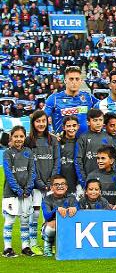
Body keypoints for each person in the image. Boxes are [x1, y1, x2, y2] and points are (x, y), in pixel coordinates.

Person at [26, 110, 60, 255]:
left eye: (43, 121)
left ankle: (49, 242)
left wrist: (51, 181)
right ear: (33, 123)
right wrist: (39, 182)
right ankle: (33, 243)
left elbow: (57, 160)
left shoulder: (52, 140)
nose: (41, 124)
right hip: (35, 185)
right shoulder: (28, 141)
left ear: (47, 122)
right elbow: (29, 165)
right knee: (34, 214)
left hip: (51, 184)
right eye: (38, 121)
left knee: (52, 215)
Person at [2, 126, 36, 258]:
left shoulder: (28, 152)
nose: (18, 139)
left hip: (26, 193)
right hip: (11, 193)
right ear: (11, 137)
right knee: (10, 220)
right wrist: (18, 190)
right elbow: (9, 173)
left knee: (25, 220)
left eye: (21, 136)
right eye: (16, 136)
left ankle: (25, 247)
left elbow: (32, 171)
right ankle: (7, 248)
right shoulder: (7, 153)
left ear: (24, 137)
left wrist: (28, 188)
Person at [45, 66, 97, 136]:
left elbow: (104, 107)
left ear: (81, 81)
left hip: (85, 143)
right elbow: (41, 118)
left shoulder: (88, 97)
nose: (74, 82)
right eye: (71, 79)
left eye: (77, 79)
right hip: (63, 143)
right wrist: (49, 134)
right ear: (65, 80)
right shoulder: (54, 99)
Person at [75, 109, 114, 191]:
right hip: (88, 181)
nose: (98, 123)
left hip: (106, 183)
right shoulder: (83, 138)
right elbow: (78, 161)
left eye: (100, 120)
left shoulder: (108, 138)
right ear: (88, 122)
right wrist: (83, 182)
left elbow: (112, 161)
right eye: (95, 120)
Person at [41, 174, 79, 257]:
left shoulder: (72, 198)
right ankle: (48, 245)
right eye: (56, 184)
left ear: (66, 187)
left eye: (62, 184)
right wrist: (56, 210)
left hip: (68, 225)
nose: (60, 186)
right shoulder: (47, 199)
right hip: (52, 226)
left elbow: (80, 210)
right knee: (53, 223)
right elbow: (47, 216)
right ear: (51, 188)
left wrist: (75, 208)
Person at [59, 116, 79, 197]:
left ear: (78, 126)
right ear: (63, 127)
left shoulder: (81, 142)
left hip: (76, 183)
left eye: (74, 125)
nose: (72, 128)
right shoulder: (57, 142)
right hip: (60, 182)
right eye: (68, 126)